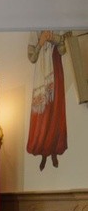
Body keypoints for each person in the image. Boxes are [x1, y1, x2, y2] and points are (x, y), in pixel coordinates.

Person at [26, 30, 68, 171]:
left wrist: (54, 38)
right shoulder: (34, 31)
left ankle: (55, 150)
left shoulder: (57, 26)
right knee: (44, 115)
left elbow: (63, 50)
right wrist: (41, 42)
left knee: (56, 112)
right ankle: (44, 152)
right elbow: (32, 58)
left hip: (56, 72)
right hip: (42, 77)